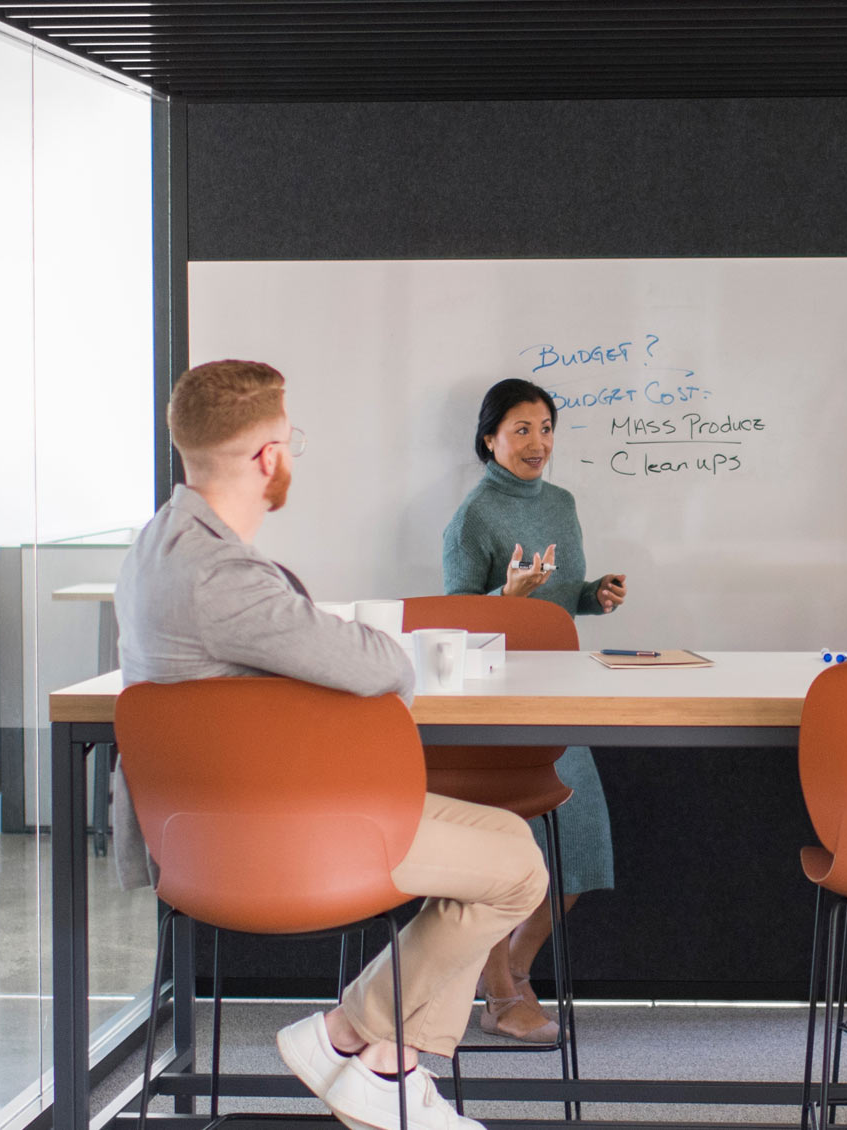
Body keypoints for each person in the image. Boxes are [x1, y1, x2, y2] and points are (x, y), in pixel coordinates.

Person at [112, 359, 549, 1130]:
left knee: (505, 840)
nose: (291, 458)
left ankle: (387, 1064)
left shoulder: (158, 543)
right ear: (265, 458)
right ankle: (349, 1037)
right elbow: (381, 665)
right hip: (274, 833)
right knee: (516, 871)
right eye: (290, 441)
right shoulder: (223, 575)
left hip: (210, 824)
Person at [438, 377, 624, 1043]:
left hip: (563, 688)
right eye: (522, 429)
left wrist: (591, 594)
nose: (538, 442)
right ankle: (498, 992)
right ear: (490, 439)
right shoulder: (474, 515)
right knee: (501, 863)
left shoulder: (563, 502)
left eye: (546, 428)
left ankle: (512, 972)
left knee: (578, 859)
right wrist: (504, 595)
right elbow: (456, 618)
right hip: (497, 700)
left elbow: (561, 592)